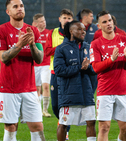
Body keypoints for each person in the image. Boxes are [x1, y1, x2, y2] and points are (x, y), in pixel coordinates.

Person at [0, 0, 45, 140]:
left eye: (21, 5)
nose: (20, 8)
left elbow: (39, 58)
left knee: (38, 126)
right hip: (8, 88)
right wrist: (19, 44)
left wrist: (32, 44)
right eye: (15, 6)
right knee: (11, 126)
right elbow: (3, 57)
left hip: (29, 88)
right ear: (8, 11)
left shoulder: (33, 31)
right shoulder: (2, 30)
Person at [90, 10, 126, 141]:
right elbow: (96, 67)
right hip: (105, 91)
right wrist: (111, 59)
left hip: (123, 90)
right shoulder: (96, 44)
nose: (108, 23)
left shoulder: (125, 40)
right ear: (99, 26)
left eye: (109, 20)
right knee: (104, 127)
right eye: (104, 22)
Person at [54, 20, 96, 141]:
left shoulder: (88, 47)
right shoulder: (61, 48)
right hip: (68, 93)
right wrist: (79, 67)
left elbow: (94, 69)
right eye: (80, 29)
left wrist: (88, 68)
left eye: (84, 29)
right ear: (71, 31)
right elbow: (59, 70)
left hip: (86, 92)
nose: (83, 31)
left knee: (91, 122)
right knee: (64, 124)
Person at [45, 8, 73, 140]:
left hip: (70, 74)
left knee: (67, 104)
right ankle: (62, 122)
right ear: (59, 19)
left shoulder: (75, 33)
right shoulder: (52, 33)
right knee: (55, 105)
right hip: (55, 73)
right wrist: (62, 47)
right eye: (64, 18)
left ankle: (65, 131)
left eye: (69, 18)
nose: (66, 20)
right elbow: (46, 52)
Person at [32, 13, 51, 117]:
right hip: (35, 64)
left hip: (46, 64)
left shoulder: (49, 33)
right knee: (37, 88)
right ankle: (38, 109)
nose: (44, 23)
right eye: (41, 21)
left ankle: (45, 110)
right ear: (35, 23)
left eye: (44, 21)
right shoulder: (32, 33)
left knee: (46, 86)